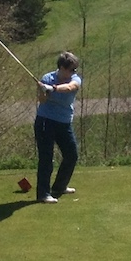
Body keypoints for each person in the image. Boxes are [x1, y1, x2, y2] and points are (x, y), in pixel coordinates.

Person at [33, 51, 82, 203]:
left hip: (64, 123)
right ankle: (43, 194)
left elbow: (69, 88)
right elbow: (42, 100)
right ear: (62, 67)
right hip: (45, 122)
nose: (74, 72)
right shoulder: (47, 78)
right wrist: (43, 90)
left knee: (71, 155)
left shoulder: (75, 79)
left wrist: (52, 88)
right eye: (71, 69)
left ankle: (59, 187)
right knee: (46, 158)